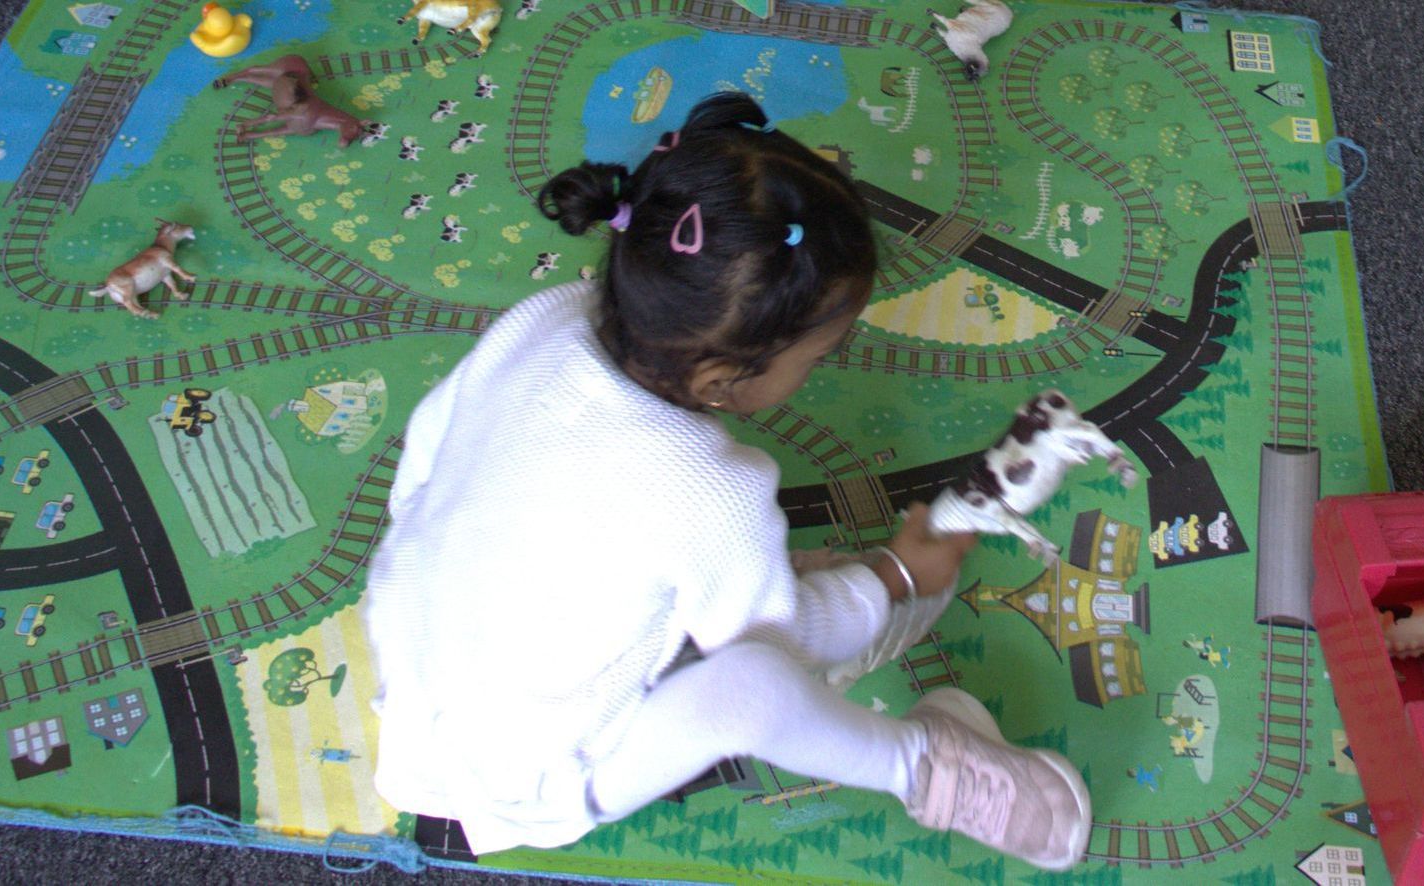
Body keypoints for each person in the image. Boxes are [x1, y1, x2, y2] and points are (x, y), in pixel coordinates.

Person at [364, 93, 1090, 871]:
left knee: (697, 584)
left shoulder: (544, 317)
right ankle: (926, 768)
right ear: (719, 378)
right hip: (531, 777)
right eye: (815, 358)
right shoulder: (709, 489)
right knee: (753, 683)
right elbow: (782, 640)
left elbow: (422, 462)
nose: (819, 370)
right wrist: (895, 576)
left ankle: (727, 599)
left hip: (412, 670)